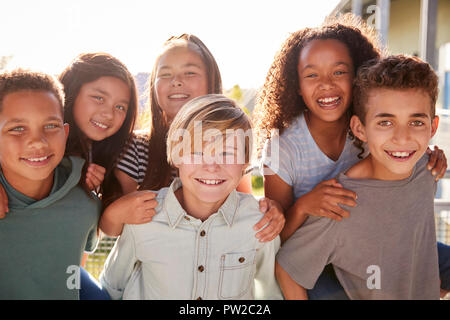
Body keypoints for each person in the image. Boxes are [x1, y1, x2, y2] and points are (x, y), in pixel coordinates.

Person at [253, 14, 449, 299]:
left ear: (355, 76)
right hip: (320, 258)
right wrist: (305, 205)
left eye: (339, 72)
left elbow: (402, 144)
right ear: (296, 84)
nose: (326, 84)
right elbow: (278, 240)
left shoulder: (375, 126)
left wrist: (426, 154)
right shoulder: (284, 148)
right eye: (312, 75)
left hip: (381, 243)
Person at [100, 34, 285, 242]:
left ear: (211, 82)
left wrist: (269, 209)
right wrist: (116, 213)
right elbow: (110, 227)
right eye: (166, 74)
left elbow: (245, 204)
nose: (177, 81)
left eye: (189, 72)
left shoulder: (230, 142)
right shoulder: (136, 147)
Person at [100, 94, 282, 300]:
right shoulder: (143, 216)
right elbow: (112, 287)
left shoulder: (260, 223)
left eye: (227, 154)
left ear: (245, 162)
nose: (211, 166)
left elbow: (270, 293)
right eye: (197, 152)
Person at [0, 69, 101, 299]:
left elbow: (73, 271)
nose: (37, 141)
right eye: (17, 128)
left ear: (65, 133)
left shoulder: (85, 204)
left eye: (51, 126)